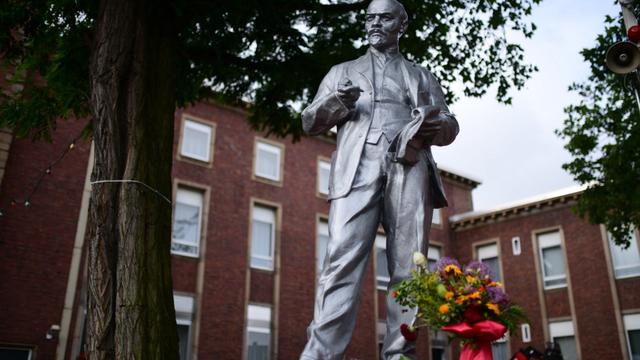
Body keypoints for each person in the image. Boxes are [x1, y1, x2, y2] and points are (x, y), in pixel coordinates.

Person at [299, 0, 459, 359]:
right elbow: (310, 121)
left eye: (384, 17)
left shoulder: (421, 75)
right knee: (341, 260)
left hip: (410, 165)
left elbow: (451, 125)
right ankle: (321, 354)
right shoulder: (343, 71)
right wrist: (337, 102)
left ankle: (400, 353)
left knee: (409, 266)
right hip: (358, 168)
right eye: (369, 17)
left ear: (401, 25)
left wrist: (434, 124)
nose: (374, 23)